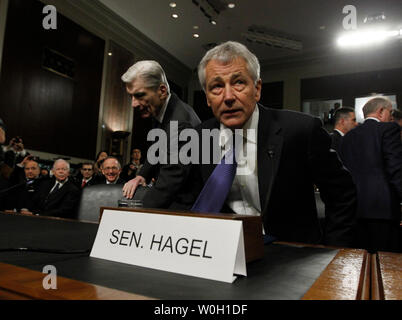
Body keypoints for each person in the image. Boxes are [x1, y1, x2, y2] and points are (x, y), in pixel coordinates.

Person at [189, 41, 356, 246]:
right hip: (226, 251)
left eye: (238, 82)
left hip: (291, 258)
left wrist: (331, 254)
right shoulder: (200, 137)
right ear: (207, 98)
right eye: (216, 87)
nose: (229, 96)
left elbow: (342, 196)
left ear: (257, 89)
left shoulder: (300, 130)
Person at [121, 60, 201, 208]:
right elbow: (157, 148)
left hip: (185, 205)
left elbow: (170, 181)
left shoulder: (180, 123)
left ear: (162, 91)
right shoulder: (161, 110)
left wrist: (138, 212)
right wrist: (141, 175)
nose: (133, 104)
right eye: (131, 96)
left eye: (139, 95)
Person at [340, 97, 402, 252]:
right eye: (390, 111)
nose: (391, 116)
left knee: (361, 264)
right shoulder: (389, 129)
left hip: (354, 210)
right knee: (386, 265)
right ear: (381, 111)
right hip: (383, 210)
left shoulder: (348, 137)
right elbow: (395, 168)